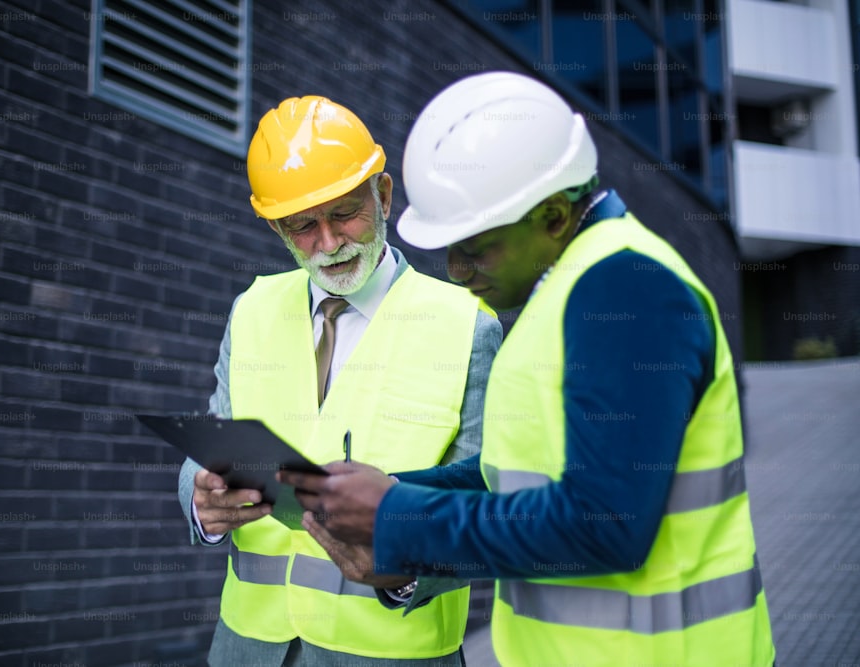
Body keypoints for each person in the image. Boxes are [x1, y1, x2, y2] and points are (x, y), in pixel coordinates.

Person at [279, 72, 776, 667]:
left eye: (475, 246)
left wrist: (398, 518)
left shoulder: (629, 293)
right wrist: (378, 491)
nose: (457, 270)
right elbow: (513, 476)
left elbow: (605, 523)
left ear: (554, 217)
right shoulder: (565, 291)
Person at [176, 94, 502, 666]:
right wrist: (201, 502)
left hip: (392, 655)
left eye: (344, 213)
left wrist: (404, 567)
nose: (328, 243)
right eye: (301, 226)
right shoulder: (251, 310)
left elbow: (491, 497)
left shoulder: (466, 325)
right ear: (276, 225)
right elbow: (213, 440)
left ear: (383, 195)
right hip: (248, 651)